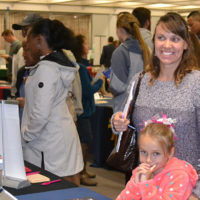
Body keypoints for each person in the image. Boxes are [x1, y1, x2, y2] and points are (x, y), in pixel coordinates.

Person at [112, 12, 200, 199]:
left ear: (185, 44)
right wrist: (117, 121)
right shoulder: (140, 80)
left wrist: (196, 191)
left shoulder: (196, 83)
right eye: (161, 38)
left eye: (174, 39)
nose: (167, 45)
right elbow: (127, 122)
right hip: (145, 183)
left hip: (185, 188)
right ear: (154, 42)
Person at [21, 19, 83, 185]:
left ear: (40, 40)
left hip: (48, 141)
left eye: (30, 41)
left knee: (55, 187)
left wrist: (26, 135)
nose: (28, 46)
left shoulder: (47, 69)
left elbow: (40, 113)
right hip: (56, 134)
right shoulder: (54, 64)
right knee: (67, 183)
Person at [116, 117, 198, 200]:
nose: (148, 160)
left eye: (156, 153)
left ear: (170, 152)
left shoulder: (179, 176)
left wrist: (146, 184)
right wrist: (135, 184)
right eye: (144, 152)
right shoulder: (141, 171)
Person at [72, 34, 103, 186]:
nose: (87, 46)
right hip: (83, 112)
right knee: (84, 143)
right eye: (85, 43)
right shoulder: (81, 67)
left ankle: (83, 171)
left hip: (83, 111)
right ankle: (81, 173)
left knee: (85, 142)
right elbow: (87, 90)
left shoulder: (80, 65)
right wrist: (100, 81)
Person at [110, 13, 150, 112]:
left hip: (124, 110)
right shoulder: (147, 50)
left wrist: (110, 82)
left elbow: (117, 87)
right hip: (144, 107)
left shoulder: (120, 52)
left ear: (119, 30)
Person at [11, 13, 43, 96]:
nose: (23, 34)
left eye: (26, 29)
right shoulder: (21, 51)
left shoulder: (58, 59)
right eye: (22, 30)